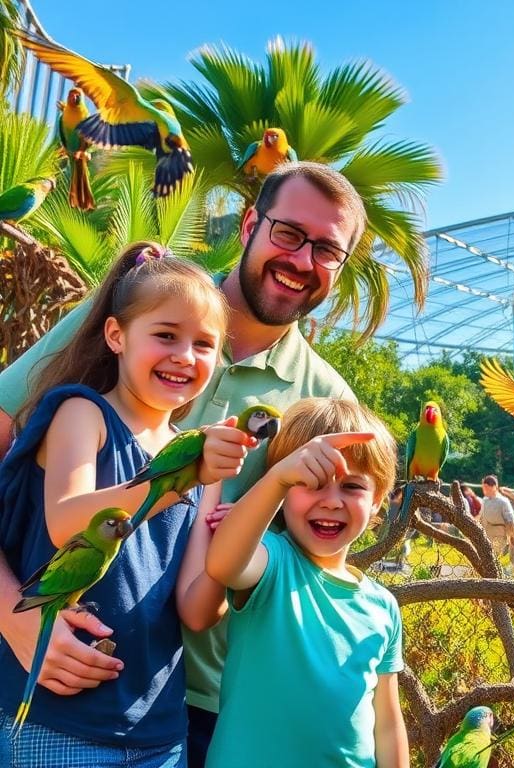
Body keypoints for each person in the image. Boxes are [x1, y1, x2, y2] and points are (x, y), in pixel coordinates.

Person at [0, 162, 364, 766]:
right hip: (53, 677)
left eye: (327, 249)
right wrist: (14, 617)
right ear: (251, 222)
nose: (303, 260)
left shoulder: (329, 403)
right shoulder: (138, 304)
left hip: (193, 706)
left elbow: (306, 564)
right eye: (289, 233)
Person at [0, 247, 247, 766]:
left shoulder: (200, 458)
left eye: (205, 344)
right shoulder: (82, 413)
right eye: (165, 335)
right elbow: (68, 521)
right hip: (58, 718)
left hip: (158, 729)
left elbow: (197, 610)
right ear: (116, 335)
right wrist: (188, 479)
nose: (185, 355)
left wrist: (240, 535)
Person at [204, 398, 407, 768]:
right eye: (310, 482)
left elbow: (388, 724)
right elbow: (223, 565)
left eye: (352, 486)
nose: (331, 501)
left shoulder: (383, 607)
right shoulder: (274, 561)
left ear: (378, 500)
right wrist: (277, 479)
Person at [479, 475, 514, 571]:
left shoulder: (503, 501)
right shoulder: (485, 500)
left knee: (500, 559)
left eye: (486, 488)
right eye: (483, 488)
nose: (484, 490)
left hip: (500, 534)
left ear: (494, 487)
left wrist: (513, 537)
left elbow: (510, 520)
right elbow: (481, 516)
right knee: (489, 557)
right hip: (487, 533)